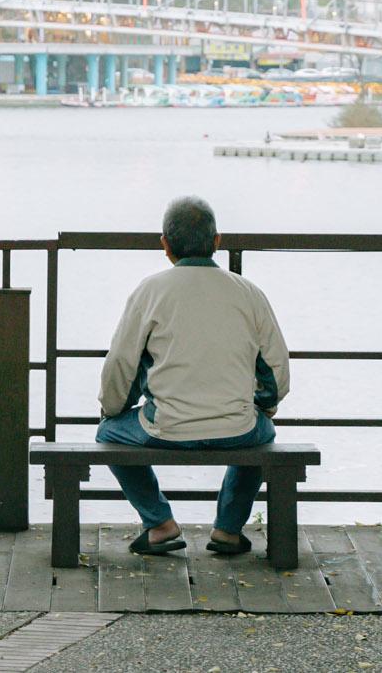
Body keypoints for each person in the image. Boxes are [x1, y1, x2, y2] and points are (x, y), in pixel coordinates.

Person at [96, 195, 291, 556]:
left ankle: (159, 525)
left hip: (165, 427)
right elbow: (276, 371)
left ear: (165, 245)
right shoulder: (249, 293)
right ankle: (228, 530)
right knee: (262, 435)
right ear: (217, 242)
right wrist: (263, 406)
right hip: (237, 429)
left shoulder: (150, 292)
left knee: (108, 433)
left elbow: (122, 365)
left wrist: (113, 409)